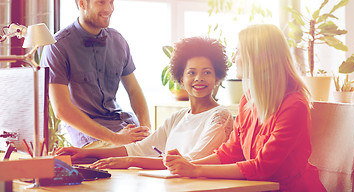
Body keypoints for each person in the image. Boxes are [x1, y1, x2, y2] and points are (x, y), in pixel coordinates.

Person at [163, 25, 326, 191]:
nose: (234, 59)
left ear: (258, 58)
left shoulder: (294, 105)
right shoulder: (247, 101)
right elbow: (229, 154)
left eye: (238, 52)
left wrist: (195, 170)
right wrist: (186, 166)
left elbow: (261, 167)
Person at [55, 36, 234, 170]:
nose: (199, 79)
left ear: (217, 77)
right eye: (191, 73)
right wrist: (87, 153)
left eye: (207, 73)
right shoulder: (178, 118)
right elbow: (140, 148)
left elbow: (190, 161)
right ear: (180, 78)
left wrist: (131, 161)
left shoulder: (220, 116)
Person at [40, 0, 150, 148]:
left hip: (124, 128)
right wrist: (116, 139)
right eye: (101, 2)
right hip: (91, 138)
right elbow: (62, 110)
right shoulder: (57, 46)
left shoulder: (119, 41)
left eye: (111, 2)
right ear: (82, 3)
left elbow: (135, 91)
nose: (109, 9)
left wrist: (146, 130)